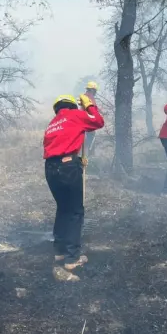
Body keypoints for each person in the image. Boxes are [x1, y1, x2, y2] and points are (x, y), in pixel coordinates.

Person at [43, 93, 105, 272]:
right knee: (76, 212)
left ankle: (60, 251)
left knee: (63, 208)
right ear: (72, 106)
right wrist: (90, 106)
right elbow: (98, 121)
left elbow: (60, 145)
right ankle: (72, 258)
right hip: (68, 167)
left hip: (51, 168)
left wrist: (77, 159)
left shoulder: (52, 124)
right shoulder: (75, 115)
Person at [82, 81, 99, 156]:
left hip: (83, 122)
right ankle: (89, 158)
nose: (95, 92)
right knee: (90, 142)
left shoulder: (84, 96)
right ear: (92, 90)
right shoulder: (90, 97)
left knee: (85, 141)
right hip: (88, 123)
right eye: (95, 91)